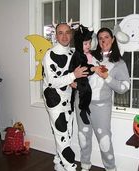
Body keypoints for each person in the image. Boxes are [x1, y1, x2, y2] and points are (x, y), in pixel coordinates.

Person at [76, 27, 130, 171]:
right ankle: (85, 166)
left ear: (112, 39)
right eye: (100, 38)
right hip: (81, 103)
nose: (103, 40)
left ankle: (110, 168)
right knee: (83, 137)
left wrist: (107, 77)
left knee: (104, 140)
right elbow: (78, 71)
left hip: (101, 106)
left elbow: (124, 87)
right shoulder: (89, 57)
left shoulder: (119, 63)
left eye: (106, 37)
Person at [42, 22, 88, 171]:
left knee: (66, 134)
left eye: (67, 32)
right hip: (54, 100)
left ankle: (58, 162)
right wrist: (73, 76)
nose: (64, 36)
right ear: (55, 36)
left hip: (68, 100)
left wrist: (73, 81)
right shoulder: (49, 55)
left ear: (71, 34)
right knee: (62, 135)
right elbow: (52, 81)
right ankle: (70, 167)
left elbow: (67, 76)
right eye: (60, 32)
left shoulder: (72, 53)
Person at [69, 24, 100, 125]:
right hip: (78, 77)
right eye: (85, 44)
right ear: (79, 44)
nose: (88, 46)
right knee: (86, 91)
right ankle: (82, 110)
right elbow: (84, 68)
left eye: (89, 43)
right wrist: (93, 68)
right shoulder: (79, 55)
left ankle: (85, 108)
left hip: (81, 76)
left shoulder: (84, 54)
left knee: (87, 92)